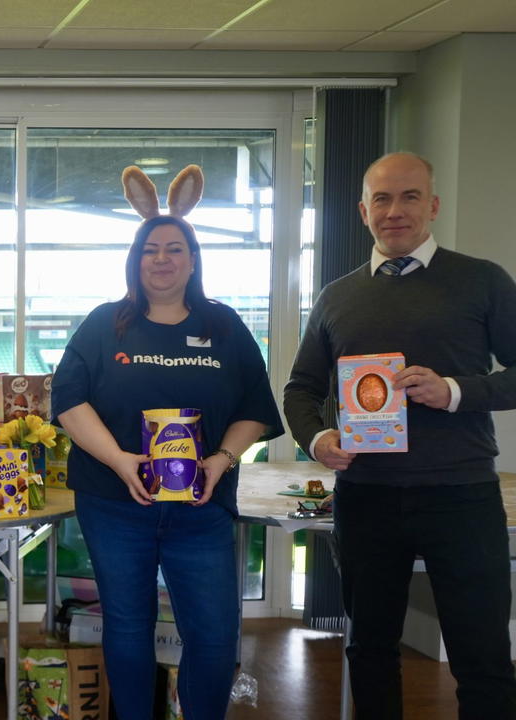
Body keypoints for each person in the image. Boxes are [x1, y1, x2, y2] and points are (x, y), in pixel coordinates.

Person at [283, 152, 516, 718]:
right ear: (363, 212)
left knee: (483, 655)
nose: (395, 211)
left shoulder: (482, 280)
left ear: (432, 205)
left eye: (409, 196)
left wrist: (454, 391)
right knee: (369, 650)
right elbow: (301, 389)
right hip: (367, 497)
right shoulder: (336, 297)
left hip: (462, 495)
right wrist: (318, 440)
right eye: (381, 199)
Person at [51, 165, 282, 720]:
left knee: (215, 632)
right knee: (128, 625)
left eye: (174, 249)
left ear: (193, 260)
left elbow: (255, 408)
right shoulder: (104, 324)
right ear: (135, 261)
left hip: (201, 507)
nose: (162, 259)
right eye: (150, 249)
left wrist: (222, 459)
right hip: (115, 503)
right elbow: (68, 401)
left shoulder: (224, 326)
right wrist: (119, 460)